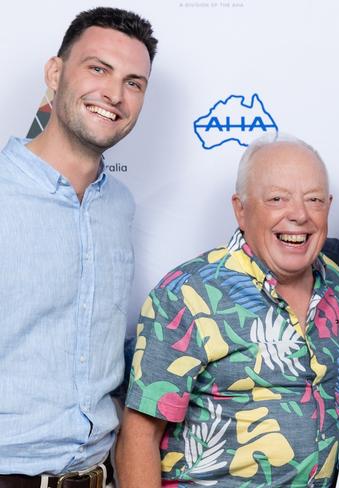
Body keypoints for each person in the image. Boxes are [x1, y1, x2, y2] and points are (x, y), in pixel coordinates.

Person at [115, 134, 339, 487]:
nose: (300, 215)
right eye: (277, 199)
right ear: (241, 209)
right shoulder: (187, 293)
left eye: (314, 200)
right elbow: (139, 437)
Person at [0, 7, 157, 487]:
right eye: (98, 69)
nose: (114, 94)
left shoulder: (119, 207)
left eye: (134, 82)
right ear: (54, 73)